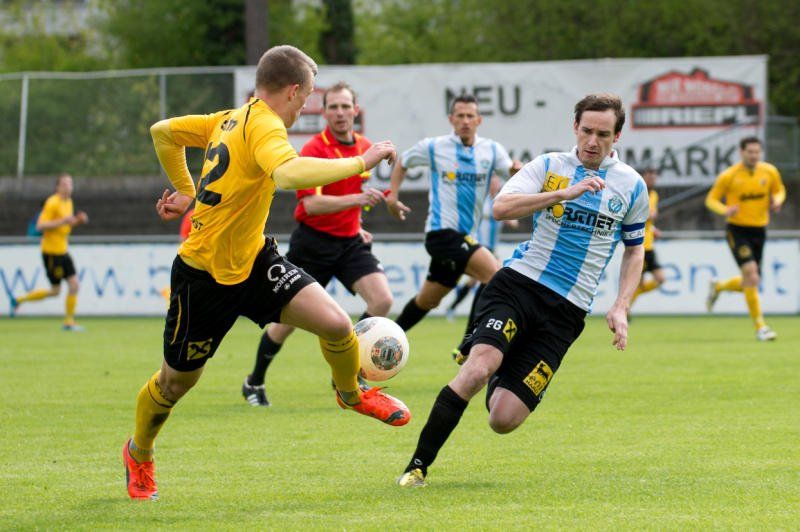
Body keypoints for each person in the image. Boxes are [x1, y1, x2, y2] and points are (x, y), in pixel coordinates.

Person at [123, 45, 410, 502]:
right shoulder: (265, 124)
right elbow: (289, 174)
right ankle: (139, 452)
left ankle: (351, 394)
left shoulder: (229, 118)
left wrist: (187, 190)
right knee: (175, 384)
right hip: (203, 276)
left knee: (337, 324)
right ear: (293, 91)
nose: (304, 107)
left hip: (255, 261)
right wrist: (363, 161)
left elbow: (163, 132)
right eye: (308, 97)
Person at [397, 93, 649, 488]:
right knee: (477, 368)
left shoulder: (631, 186)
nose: (592, 141)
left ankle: (503, 365)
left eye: (603, 134)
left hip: (567, 311)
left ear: (617, 136)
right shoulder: (549, 166)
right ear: (575, 127)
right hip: (520, 285)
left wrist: (621, 305)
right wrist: (560, 194)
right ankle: (417, 467)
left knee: (503, 419)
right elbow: (501, 207)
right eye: (586, 131)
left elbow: (635, 250)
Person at [241, 81, 392, 407]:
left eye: (345, 106)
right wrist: (357, 200)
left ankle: (347, 375)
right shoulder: (313, 149)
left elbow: (353, 195)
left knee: (382, 301)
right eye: (333, 107)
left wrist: (358, 223)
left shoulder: (364, 146)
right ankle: (254, 381)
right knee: (284, 325)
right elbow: (311, 205)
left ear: (355, 110)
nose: (340, 112)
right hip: (313, 245)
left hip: (350, 243)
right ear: (324, 113)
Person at [386, 94, 513, 345]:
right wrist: (392, 196)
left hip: (464, 238)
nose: (465, 121)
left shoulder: (491, 150)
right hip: (441, 234)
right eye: (460, 116)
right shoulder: (434, 147)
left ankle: (384, 337)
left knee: (427, 300)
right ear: (451, 119)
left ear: (479, 120)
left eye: (470, 116)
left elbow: (511, 171)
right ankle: (469, 343)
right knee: (495, 274)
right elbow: (403, 162)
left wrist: (518, 169)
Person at [704, 136, 785, 341]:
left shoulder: (769, 171)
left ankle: (719, 286)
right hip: (737, 230)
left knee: (752, 280)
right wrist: (725, 209)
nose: (754, 155)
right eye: (750, 152)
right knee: (750, 273)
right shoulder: (729, 175)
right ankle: (761, 327)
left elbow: (779, 190)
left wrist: (777, 200)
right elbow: (711, 199)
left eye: (757, 152)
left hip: (759, 230)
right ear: (741, 152)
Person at [9, 173, 88, 331]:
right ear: (57, 187)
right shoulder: (52, 202)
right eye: (64, 184)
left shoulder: (68, 202)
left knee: (74, 285)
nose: (68, 187)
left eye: (70, 183)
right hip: (52, 252)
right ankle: (19, 299)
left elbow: (65, 226)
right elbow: (40, 226)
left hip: (63, 250)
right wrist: (63, 220)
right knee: (55, 291)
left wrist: (78, 221)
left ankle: (69, 322)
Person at [446, 173, 520, 325]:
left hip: (492, 249)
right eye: (492, 182)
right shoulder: (483, 201)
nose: (494, 185)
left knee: (481, 281)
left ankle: (461, 309)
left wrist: (509, 220)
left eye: (496, 182)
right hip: (480, 247)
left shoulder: (501, 201)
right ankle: (475, 315)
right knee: (491, 278)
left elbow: (515, 223)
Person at [630, 167, 665, 308]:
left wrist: (653, 229)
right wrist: (647, 215)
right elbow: (630, 214)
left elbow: (650, 220)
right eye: (649, 177)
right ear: (643, 177)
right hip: (639, 245)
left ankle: (625, 307)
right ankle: (624, 309)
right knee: (636, 282)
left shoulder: (654, 195)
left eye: (654, 178)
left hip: (649, 246)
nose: (652, 180)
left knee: (660, 279)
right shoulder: (636, 192)